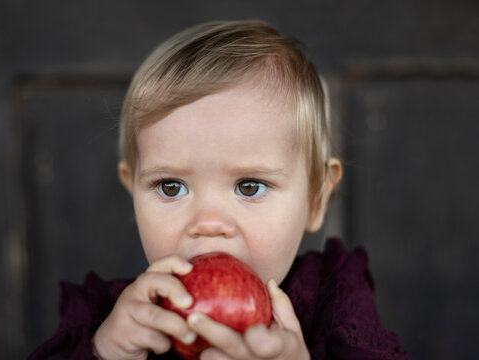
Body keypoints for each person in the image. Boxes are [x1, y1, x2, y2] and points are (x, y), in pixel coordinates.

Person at [29, 20, 408, 360]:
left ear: (315, 199)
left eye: (249, 185)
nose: (208, 224)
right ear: (133, 192)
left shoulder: (337, 304)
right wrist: (106, 352)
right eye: (171, 186)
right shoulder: (111, 319)